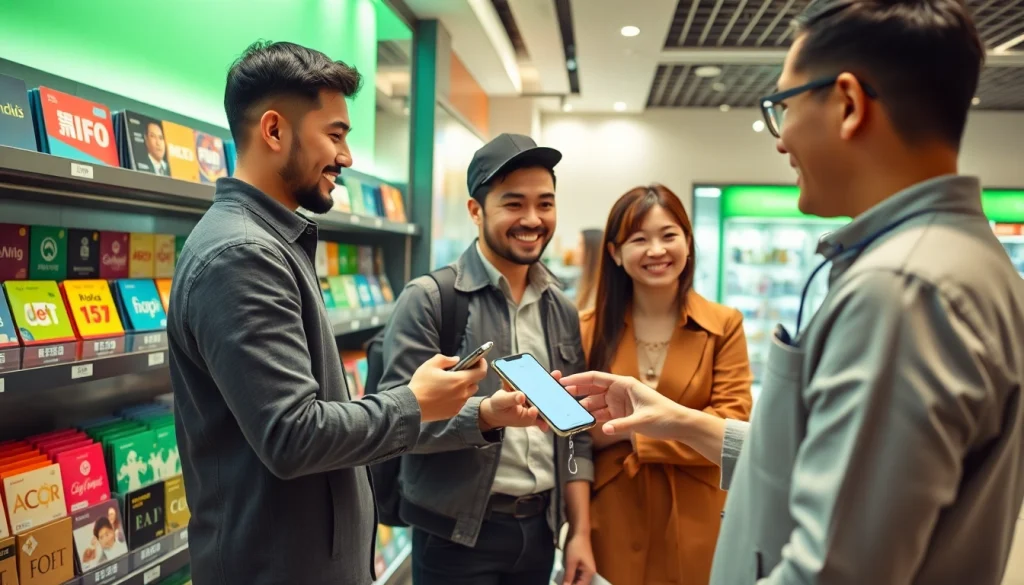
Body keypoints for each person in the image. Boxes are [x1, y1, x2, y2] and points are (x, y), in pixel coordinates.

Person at [568, 0, 1024, 583]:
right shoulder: (959, 260)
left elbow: (833, 568)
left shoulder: (901, 291)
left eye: (782, 107)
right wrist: (679, 421)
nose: (780, 143)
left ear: (849, 103)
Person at [168, 41, 488, 585]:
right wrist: (413, 402)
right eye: (335, 135)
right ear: (274, 131)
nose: (347, 157)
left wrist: (465, 414)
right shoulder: (242, 255)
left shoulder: (272, 239)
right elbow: (294, 435)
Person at [379, 133, 595, 585]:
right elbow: (394, 423)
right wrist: (485, 417)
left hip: (540, 533)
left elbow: (577, 435)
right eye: (513, 204)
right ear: (476, 210)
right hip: (453, 537)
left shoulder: (561, 308)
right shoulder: (431, 300)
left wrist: (580, 532)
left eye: (545, 203)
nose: (532, 219)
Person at [580, 184, 752, 585]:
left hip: (698, 516)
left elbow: (730, 425)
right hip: (611, 513)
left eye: (669, 235)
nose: (656, 250)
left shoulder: (724, 325)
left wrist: (632, 436)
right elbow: (573, 432)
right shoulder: (586, 329)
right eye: (639, 239)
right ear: (614, 253)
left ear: (688, 244)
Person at [573, 228, 603, 311]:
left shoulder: (600, 293)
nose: (576, 250)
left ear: (592, 249)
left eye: (580, 244)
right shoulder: (585, 283)